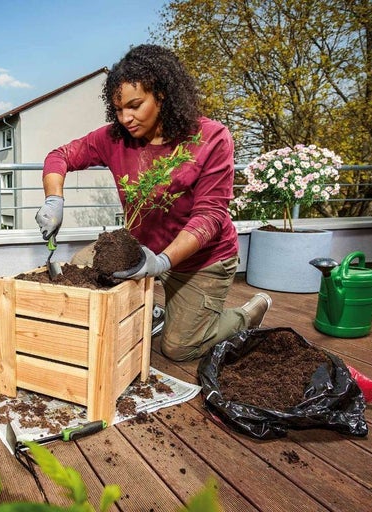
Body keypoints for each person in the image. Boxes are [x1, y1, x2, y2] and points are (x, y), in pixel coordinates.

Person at [34, 44, 271, 361]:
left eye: (135, 105)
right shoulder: (116, 137)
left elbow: (210, 216)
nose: (126, 118)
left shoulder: (211, 138)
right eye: (118, 109)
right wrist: (54, 198)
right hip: (141, 249)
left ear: (162, 94)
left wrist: (162, 262)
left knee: (178, 347)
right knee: (78, 267)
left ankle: (247, 314)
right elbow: (59, 156)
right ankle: (152, 312)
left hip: (201, 260)